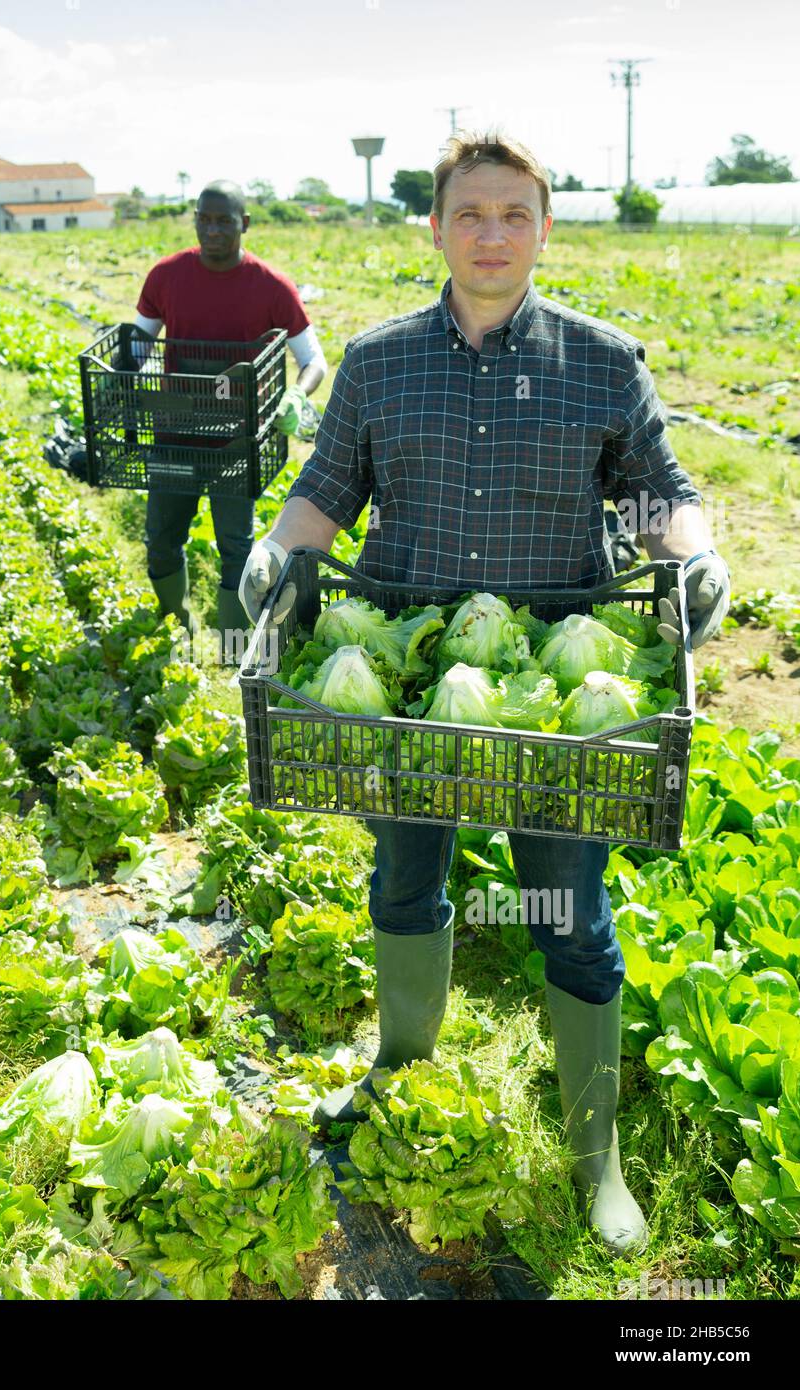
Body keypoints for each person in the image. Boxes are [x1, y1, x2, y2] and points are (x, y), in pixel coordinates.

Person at [239, 130, 730, 1258]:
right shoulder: (376, 357)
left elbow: (659, 488)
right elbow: (325, 487)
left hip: (558, 695)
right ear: (436, 227)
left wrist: (690, 552)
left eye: (514, 214)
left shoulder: (604, 360)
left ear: (543, 228)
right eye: (471, 213)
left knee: (567, 906)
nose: (492, 234)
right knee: (404, 878)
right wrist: (276, 553)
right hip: (413, 681)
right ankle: (401, 1073)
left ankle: (590, 1154)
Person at [130, 180, 327, 655]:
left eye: (224, 220)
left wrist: (295, 397)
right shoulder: (166, 275)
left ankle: (233, 646)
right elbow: (139, 342)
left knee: (235, 545)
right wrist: (126, 369)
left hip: (237, 439)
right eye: (205, 218)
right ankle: (174, 620)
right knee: (161, 536)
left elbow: (314, 360)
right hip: (175, 431)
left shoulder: (271, 286)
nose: (213, 229)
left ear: (245, 224)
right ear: (195, 219)